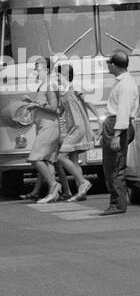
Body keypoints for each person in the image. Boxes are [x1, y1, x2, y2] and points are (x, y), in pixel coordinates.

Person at [99, 52, 139, 215]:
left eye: (109, 63)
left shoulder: (125, 84)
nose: (108, 65)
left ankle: (117, 203)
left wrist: (116, 135)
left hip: (118, 125)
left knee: (114, 167)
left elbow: (123, 111)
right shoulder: (122, 82)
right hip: (114, 124)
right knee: (112, 165)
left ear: (114, 65)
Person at [19, 57, 63, 203]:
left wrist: (36, 106)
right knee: (47, 161)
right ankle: (52, 193)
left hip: (49, 127)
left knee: (35, 158)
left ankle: (54, 185)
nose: (36, 71)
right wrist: (31, 102)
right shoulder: (44, 85)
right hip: (44, 126)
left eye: (38, 68)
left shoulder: (50, 85)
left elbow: (54, 108)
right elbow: (43, 104)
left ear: (47, 70)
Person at [51, 60, 92, 202]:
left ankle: (83, 182)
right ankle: (82, 192)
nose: (55, 76)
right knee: (74, 160)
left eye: (57, 74)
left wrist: (98, 119)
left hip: (78, 127)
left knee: (61, 157)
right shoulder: (62, 92)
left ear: (64, 74)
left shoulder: (74, 88)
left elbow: (87, 103)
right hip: (70, 128)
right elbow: (59, 111)